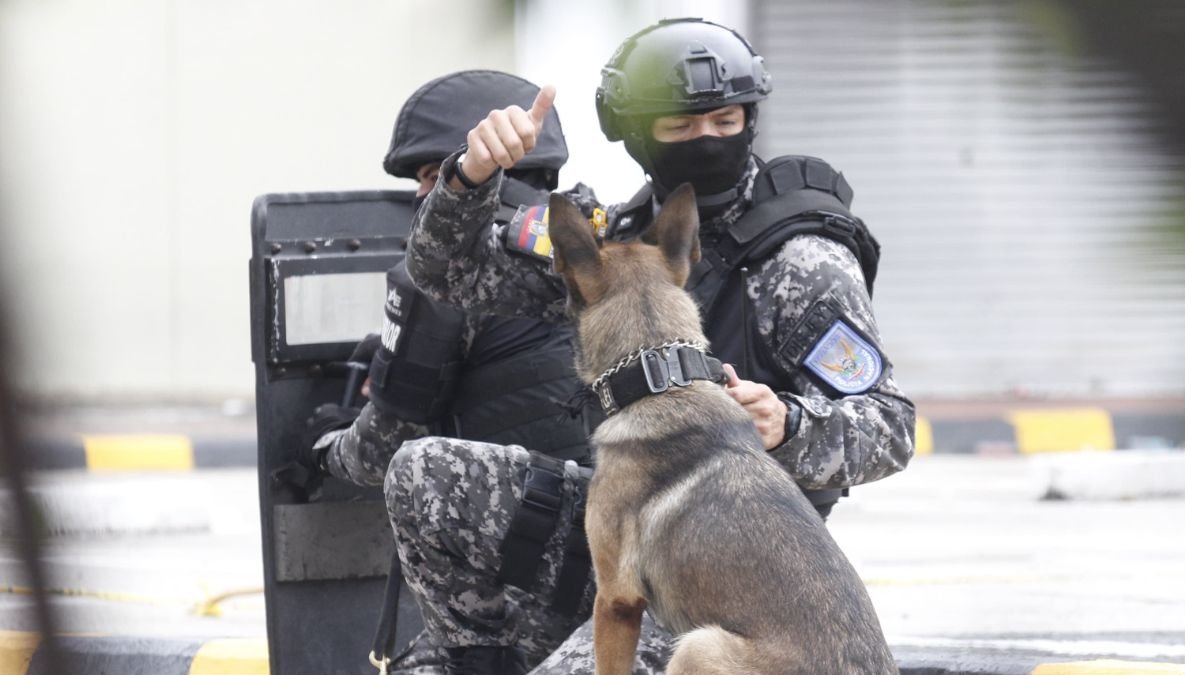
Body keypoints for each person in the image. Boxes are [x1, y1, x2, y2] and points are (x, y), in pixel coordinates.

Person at [398, 17, 916, 674]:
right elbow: (447, 274)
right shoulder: (616, 241)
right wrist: (472, 177)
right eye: (681, 124)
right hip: (613, 515)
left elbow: (891, 426)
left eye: (725, 120)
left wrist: (790, 423)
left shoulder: (801, 261)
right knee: (423, 472)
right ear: (640, 132)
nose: (707, 138)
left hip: (716, 577)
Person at [298, 70, 602, 674]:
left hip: (541, 572)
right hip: (634, 552)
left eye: (433, 178)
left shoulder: (453, 272)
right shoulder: (601, 236)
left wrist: (323, 449)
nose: (423, 199)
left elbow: (388, 449)